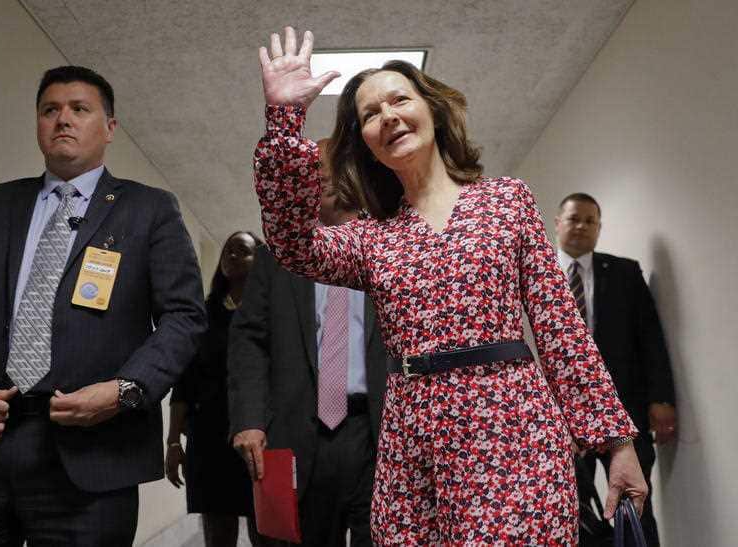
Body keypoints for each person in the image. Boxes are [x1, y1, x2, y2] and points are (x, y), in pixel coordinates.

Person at [250, 27, 648, 545]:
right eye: (370, 114)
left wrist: (615, 443)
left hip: (514, 433)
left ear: (432, 110)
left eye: (399, 99)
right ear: (366, 144)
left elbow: (561, 329)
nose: (388, 115)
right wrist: (284, 122)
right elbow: (293, 245)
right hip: (412, 452)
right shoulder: (369, 237)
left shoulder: (506, 201)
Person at [0, 65, 206, 545]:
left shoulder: (149, 210)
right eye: (49, 110)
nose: (63, 119)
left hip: (93, 456)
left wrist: (126, 390)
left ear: (109, 128)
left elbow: (184, 318)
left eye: (79, 109)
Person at [230, 139, 389, 547]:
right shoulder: (277, 255)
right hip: (300, 431)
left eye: (329, 164)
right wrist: (249, 418)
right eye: (308, 167)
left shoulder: (389, 247)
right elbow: (249, 338)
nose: (318, 173)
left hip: (378, 433)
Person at [555, 192, 676, 546]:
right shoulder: (536, 273)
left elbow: (650, 337)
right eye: (574, 218)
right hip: (559, 416)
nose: (581, 226)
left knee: (636, 505)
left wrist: (661, 398)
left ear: (599, 229)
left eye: (590, 221)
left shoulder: (624, 272)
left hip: (623, 413)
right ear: (558, 222)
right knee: (569, 510)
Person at [166, 230, 263, 547]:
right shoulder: (203, 313)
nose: (232, 255)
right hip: (208, 436)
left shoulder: (270, 312)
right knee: (218, 533)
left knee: (267, 529)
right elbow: (183, 381)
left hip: (259, 436)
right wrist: (172, 442)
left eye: (243, 251)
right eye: (228, 250)